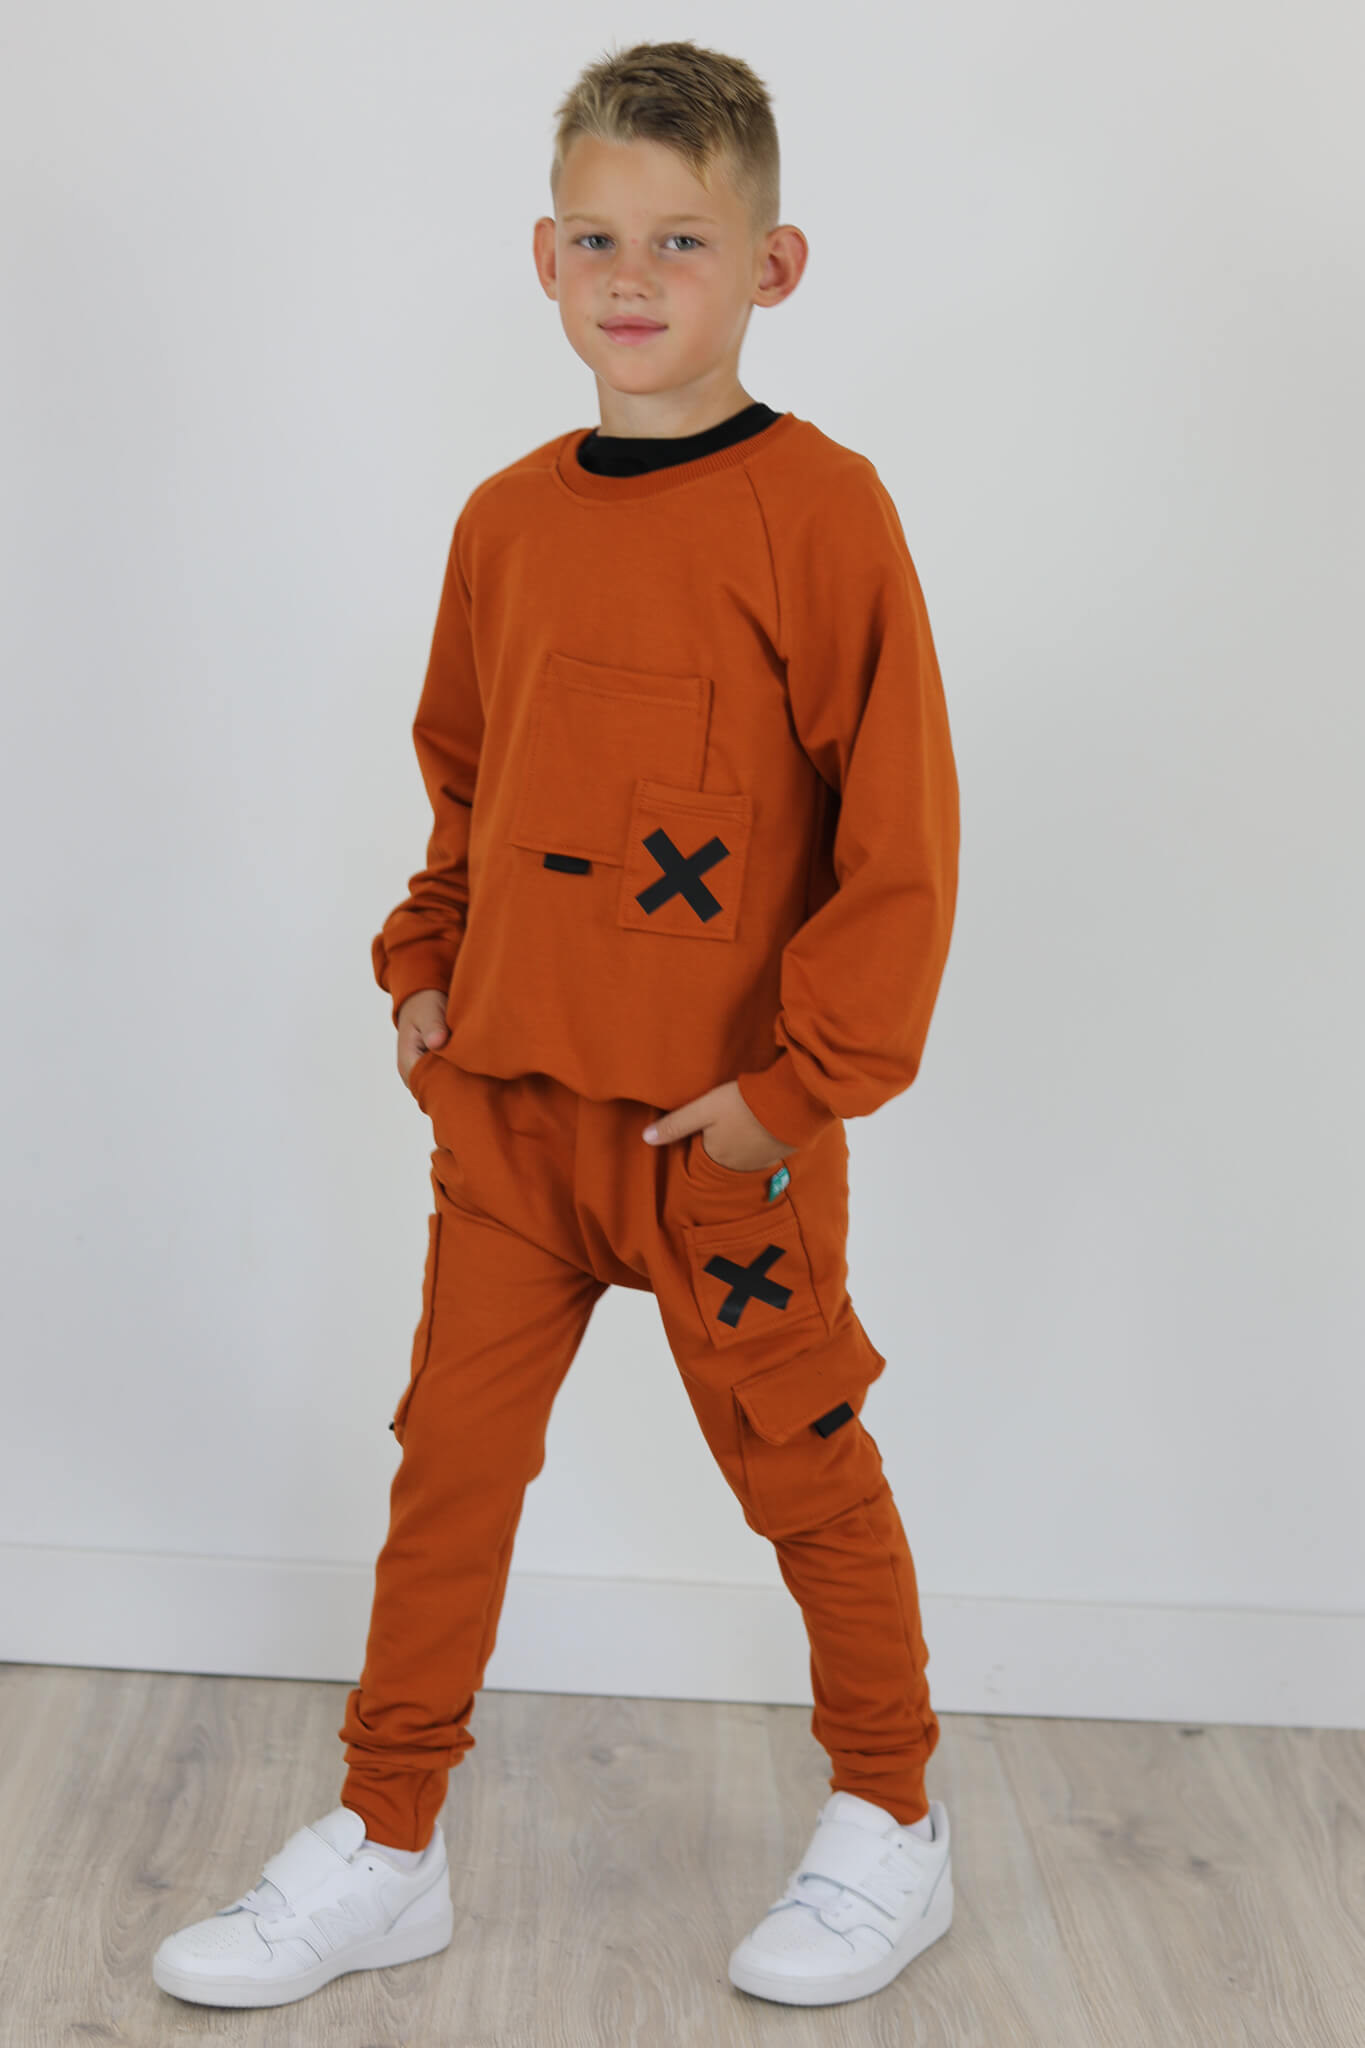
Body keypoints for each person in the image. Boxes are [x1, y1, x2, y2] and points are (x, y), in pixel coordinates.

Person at [153, 35, 960, 2015]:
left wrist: (793, 1091)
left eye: (681, 238)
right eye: (595, 236)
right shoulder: (505, 520)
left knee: (802, 1467)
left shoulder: (823, 514)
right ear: (540, 256)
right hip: (507, 1118)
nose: (632, 275)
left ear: (770, 267)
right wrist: (423, 964)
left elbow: (899, 838)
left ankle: (889, 1814)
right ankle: (388, 1842)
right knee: (445, 1477)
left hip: (719, 1143)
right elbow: (467, 770)